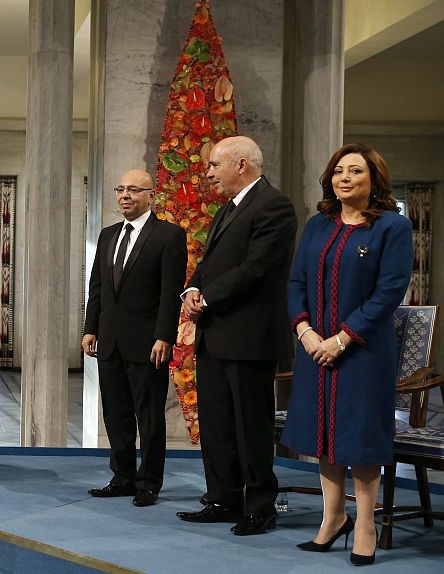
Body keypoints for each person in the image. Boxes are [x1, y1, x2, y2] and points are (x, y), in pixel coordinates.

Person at [282, 143, 412, 565]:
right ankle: (332, 517)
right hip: (313, 348)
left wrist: (341, 339)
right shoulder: (318, 225)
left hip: (363, 352)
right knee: (322, 434)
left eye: (355, 171)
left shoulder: (392, 228)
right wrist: (304, 331)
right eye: (338, 171)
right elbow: (296, 282)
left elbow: (389, 291)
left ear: (373, 180)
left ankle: (364, 525)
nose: (344, 178)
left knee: (360, 437)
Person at [177, 136, 298, 535]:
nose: (208, 173)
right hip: (215, 334)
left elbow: (257, 268)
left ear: (241, 164)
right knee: (217, 425)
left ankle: (260, 508)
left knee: (251, 427)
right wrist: (193, 289)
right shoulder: (229, 207)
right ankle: (222, 499)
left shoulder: (274, 205)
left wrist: (207, 296)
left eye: (214, 165)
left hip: (250, 338)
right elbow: (210, 263)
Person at [82, 169, 187, 507]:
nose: (125, 195)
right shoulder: (107, 235)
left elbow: (171, 293)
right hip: (109, 340)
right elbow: (97, 287)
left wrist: (164, 336)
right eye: (120, 189)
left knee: (149, 416)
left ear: (150, 195)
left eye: (134, 190)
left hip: (148, 343)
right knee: (116, 414)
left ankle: (149, 483)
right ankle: (122, 477)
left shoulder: (168, 236)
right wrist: (90, 327)